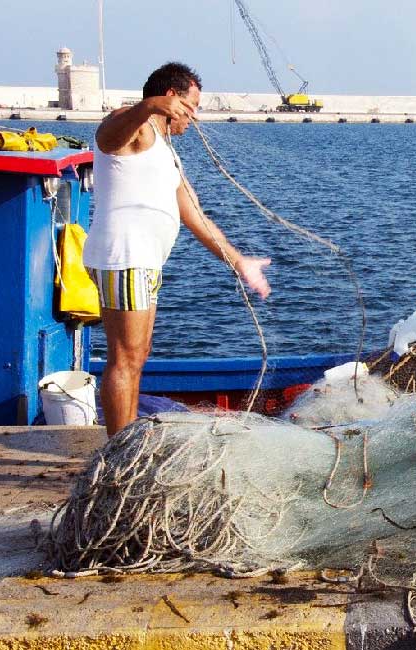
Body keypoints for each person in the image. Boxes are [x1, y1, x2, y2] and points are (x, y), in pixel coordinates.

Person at [83, 62, 272, 437]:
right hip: (124, 256)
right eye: (192, 105)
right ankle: (117, 453)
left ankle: (126, 436)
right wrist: (148, 106)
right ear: (171, 99)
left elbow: (194, 215)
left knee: (137, 355)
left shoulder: (166, 152)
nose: (194, 116)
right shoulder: (134, 125)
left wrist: (240, 263)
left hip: (144, 262)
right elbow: (106, 137)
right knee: (124, 358)